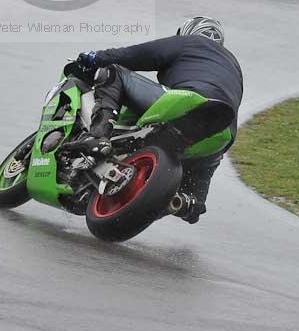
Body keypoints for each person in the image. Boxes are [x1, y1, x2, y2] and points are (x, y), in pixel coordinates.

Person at [76, 16, 243, 224]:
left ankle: (99, 135)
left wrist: (96, 58)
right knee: (204, 167)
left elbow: (136, 55)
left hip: (186, 101)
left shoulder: (190, 43)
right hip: (221, 131)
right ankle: (189, 202)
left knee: (113, 72)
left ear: (186, 32)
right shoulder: (234, 66)